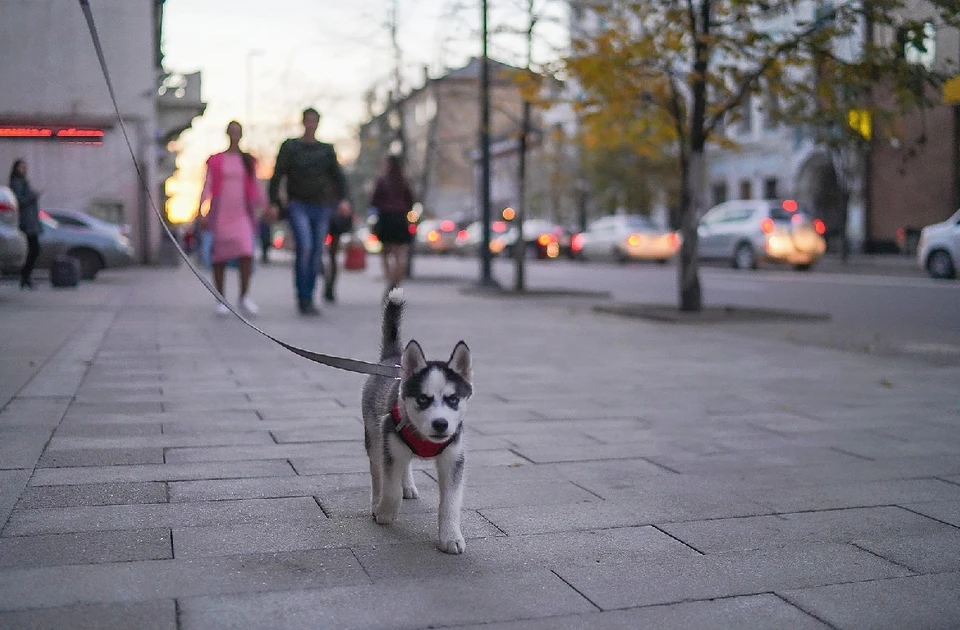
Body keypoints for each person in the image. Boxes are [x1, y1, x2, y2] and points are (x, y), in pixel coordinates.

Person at [268, 107, 351, 315]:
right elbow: (277, 175)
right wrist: (274, 202)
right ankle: (302, 296)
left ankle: (310, 296)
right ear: (303, 122)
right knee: (304, 247)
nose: (310, 124)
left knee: (315, 252)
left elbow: (338, 177)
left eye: (314, 120)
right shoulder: (290, 147)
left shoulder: (325, 150)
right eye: (308, 120)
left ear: (318, 123)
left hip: (321, 207)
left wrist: (343, 200)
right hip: (298, 205)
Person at [197, 121, 265, 317]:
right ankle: (221, 299)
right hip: (221, 213)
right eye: (232, 132)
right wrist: (200, 209)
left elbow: (255, 186)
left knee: (246, 252)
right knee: (220, 257)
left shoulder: (248, 160)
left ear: (242, 135)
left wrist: (265, 206)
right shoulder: (217, 160)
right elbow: (207, 184)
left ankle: (244, 296)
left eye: (238, 132)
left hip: (242, 213)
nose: (235, 135)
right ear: (227, 134)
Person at [370, 154, 414, 291]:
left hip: (386, 218)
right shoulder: (404, 181)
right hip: (400, 219)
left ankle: (390, 280)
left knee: (385, 252)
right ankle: (397, 281)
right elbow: (410, 201)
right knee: (399, 253)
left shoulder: (382, 181)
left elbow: (374, 201)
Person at [8, 159, 41, 290]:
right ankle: (25, 276)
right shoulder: (16, 182)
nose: (24, 169)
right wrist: (33, 197)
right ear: (16, 168)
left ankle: (25, 277)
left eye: (25, 167)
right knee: (33, 249)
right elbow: (19, 201)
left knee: (33, 250)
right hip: (25, 222)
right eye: (21, 167)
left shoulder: (23, 182)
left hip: (30, 221)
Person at [324, 208, 353, 303]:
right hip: (323, 208)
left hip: (334, 212)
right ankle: (329, 283)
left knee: (332, 254)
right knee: (331, 254)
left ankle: (330, 285)